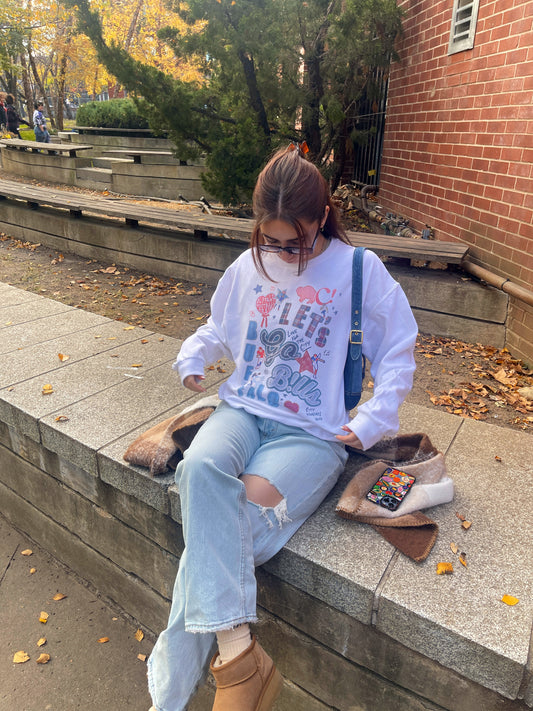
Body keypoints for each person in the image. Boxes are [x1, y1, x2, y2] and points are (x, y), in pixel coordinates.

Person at [147, 144, 418, 711]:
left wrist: (373, 420)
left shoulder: (358, 269)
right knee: (198, 470)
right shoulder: (250, 264)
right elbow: (219, 327)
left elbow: (398, 349)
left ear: (322, 217)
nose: (280, 254)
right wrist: (194, 354)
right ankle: (240, 657)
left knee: (231, 524)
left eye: (294, 242)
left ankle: (180, 697)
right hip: (241, 411)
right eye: (269, 241)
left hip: (312, 435)